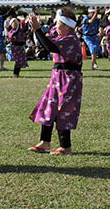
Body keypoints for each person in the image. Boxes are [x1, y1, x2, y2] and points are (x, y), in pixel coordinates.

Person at [28, 8, 83, 155]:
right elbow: (47, 38)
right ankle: (45, 142)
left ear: (66, 26)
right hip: (57, 78)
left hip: (69, 80)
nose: (55, 26)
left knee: (63, 111)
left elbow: (49, 46)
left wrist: (38, 30)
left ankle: (66, 147)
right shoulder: (61, 35)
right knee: (49, 107)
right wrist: (36, 27)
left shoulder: (70, 39)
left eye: (58, 23)